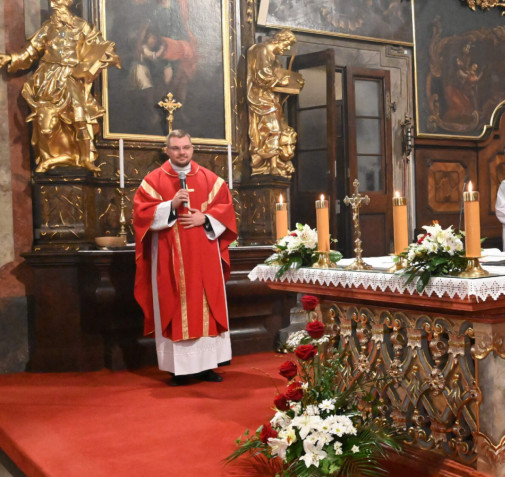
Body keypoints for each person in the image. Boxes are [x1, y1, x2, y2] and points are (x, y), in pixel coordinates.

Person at [133, 130, 238, 386]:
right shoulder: (153, 181)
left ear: (192, 148)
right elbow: (141, 214)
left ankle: (208, 366)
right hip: (169, 257)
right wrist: (170, 205)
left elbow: (226, 209)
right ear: (167, 151)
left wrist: (205, 218)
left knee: (207, 305)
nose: (182, 152)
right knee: (174, 303)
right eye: (176, 148)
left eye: (186, 147)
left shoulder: (211, 180)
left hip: (205, 258)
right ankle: (178, 370)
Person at [0, 0, 120, 173]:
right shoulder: (48, 27)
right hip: (47, 78)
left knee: (79, 115)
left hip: (70, 76)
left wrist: (109, 55)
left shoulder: (82, 26)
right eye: (52, 2)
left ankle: (85, 158)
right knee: (44, 119)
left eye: (58, 2)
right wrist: (11, 58)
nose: (53, 5)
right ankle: (48, 157)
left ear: (68, 3)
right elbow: (31, 50)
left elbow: (99, 46)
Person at [247, 29, 303, 177]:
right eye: (286, 44)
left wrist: (294, 83)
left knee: (275, 130)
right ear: (279, 39)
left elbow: (279, 76)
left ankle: (272, 164)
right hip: (260, 98)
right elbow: (261, 75)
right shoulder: (262, 50)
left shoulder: (275, 59)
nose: (287, 48)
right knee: (273, 130)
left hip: (271, 98)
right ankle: (269, 165)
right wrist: (280, 82)